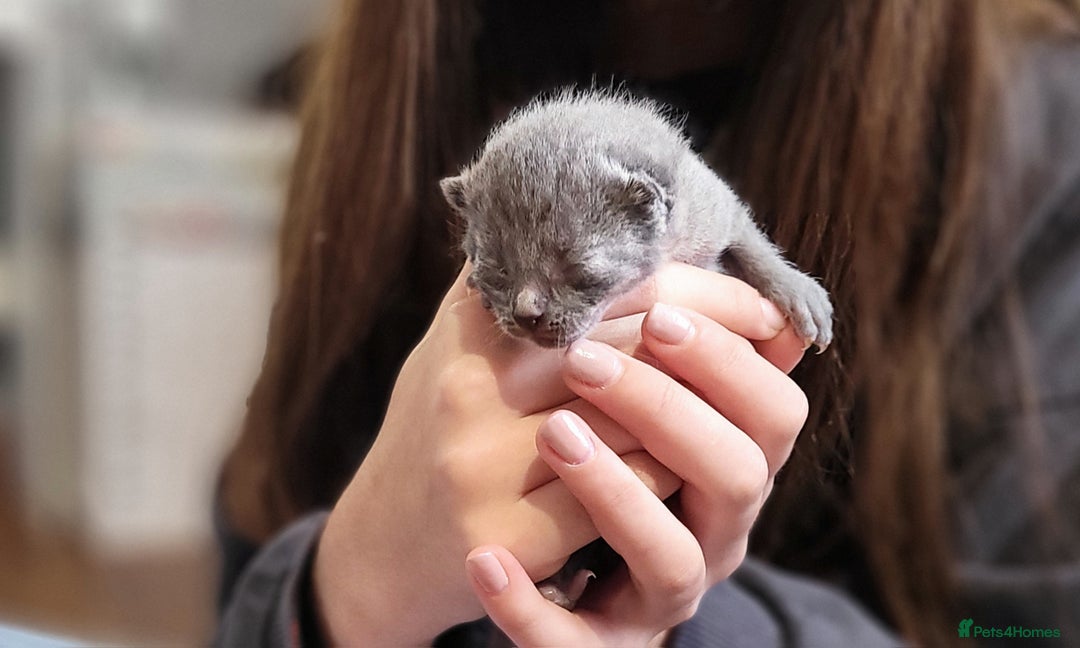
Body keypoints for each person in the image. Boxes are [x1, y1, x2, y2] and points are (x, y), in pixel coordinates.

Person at [215, 1, 1080, 645]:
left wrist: (688, 621)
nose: (524, 309)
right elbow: (258, 522)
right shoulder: (383, 93)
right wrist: (344, 594)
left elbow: (1015, 628)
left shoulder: (1038, 138)